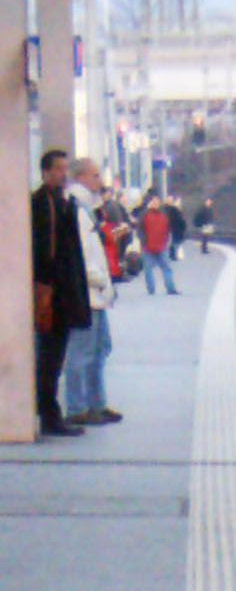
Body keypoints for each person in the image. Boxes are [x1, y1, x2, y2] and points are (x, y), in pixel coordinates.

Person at [30, 147, 91, 438]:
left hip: (59, 291)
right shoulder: (44, 204)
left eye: (65, 169)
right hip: (53, 293)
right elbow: (47, 252)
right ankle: (48, 414)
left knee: (53, 355)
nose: (64, 174)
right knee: (50, 356)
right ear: (46, 172)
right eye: (59, 169)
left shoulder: (57, 202)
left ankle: (49, 412)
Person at [62, 156, 121, 427]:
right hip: (87, 294)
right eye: (96, 176)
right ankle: (77, 407)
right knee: (81, 352)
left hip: (97, 295)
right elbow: (82, 255)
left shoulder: (87, 209)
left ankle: (96, 404)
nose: (101, 181)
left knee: (99, 350)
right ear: (82, 178)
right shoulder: (76, 210)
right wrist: (99, 280)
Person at [140, 196, 180, 295]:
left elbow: (140, 229)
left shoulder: (145, 214)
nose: (155, 204)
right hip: (158, 246)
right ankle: (170, 289)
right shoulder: (165, 214)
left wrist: (143, 241)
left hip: (152, 246)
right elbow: (169, 228)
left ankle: (152, 290)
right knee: (166, 268)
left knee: (149, 269)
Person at [166, 195, 188, 261]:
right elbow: (179, 219)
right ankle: (173, 255)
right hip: (174, 229)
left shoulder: (176, 210)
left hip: (176, 229)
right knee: (175, 242)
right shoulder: (174, 210)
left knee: (175, 242)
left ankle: (172, 254)